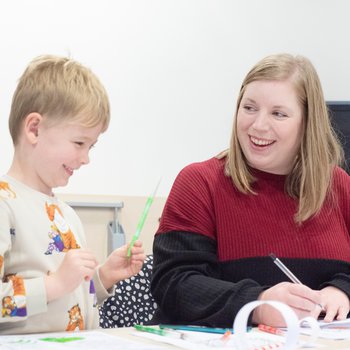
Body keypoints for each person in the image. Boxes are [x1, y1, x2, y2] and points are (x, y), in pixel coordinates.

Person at [151, 53, 350, 328]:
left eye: (278, 113)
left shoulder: (339, 186)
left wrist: (341, 290)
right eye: (249, 108)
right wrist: (257, 304)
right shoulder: (199, 182)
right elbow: (173, 285)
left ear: (307, 123)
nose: (258, 125)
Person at [0, 55, 145, 334]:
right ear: (34, 129)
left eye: (91, 146)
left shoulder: (66, 215)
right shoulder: (5, 203)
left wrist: (102, 277)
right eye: (79, 142)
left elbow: (73, 302)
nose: (86, 158)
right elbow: (56, 288)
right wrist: (52, 285)